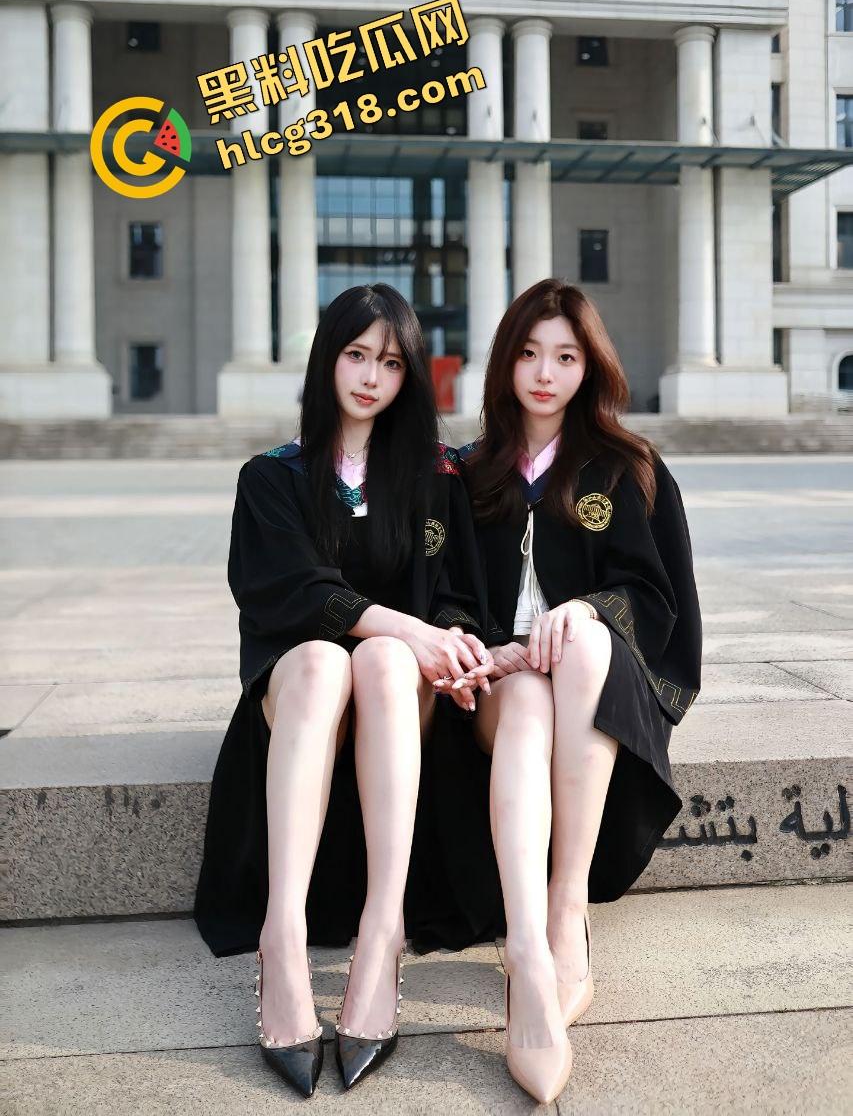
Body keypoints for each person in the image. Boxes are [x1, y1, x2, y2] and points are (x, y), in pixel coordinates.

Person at [194, 284, 492, 1097]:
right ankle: (281, 937)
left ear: (409, 376)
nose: (369, 377)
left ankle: (380, 931)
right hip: (300, 699)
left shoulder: (435, 479)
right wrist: (401, 624)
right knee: (330, 660)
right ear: (327, 359)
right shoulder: (272, 476)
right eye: (355, 355)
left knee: (387, 661)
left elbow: (456, 595)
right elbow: (286, 592)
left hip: (399, 701)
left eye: (390, 364)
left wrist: (446, 640)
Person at [443, 278, 702, 1104]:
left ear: (589, 367)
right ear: (504, 364)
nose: (545, 373)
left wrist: (583, 611)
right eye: (528, 354)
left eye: (564, 356)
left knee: (582, 640)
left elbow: (658, 596)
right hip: (500, 691)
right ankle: (529, 952)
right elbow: (441, 592)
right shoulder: (465, 473)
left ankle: (565, 912)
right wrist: (486, 646)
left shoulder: (626, 468)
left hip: (597, 685)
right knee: (524, 694)